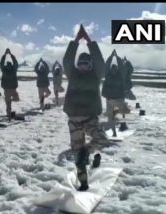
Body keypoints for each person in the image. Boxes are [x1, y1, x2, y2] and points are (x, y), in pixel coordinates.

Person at [62, 24, 110, 191]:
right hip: (74, 119)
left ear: (90, 65)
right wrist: (75, 41)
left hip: (90, 118)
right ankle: (83, 181)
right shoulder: (72, 73)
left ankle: (87, 152)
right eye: (80, 63)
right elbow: (67, 60)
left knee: (102, 140)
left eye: (85, 63)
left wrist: (89, 41)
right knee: (77, 153)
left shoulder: (97, 75)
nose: (82, 66)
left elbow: (99, 61)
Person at [102, 50, 130, 137]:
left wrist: (116, 57)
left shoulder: (120, 75)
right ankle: (114, 132)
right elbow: (106, 66)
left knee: (115, 115)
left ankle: (118, 126)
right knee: (111, 118)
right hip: (110, 100)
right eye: (112, 69)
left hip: (117, 99)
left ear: (116, 70)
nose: (113, 70)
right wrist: (111, 56)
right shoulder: (108, 74)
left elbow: (121, 67)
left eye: (115, 69)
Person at [0, 48, 20, 119]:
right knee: (16, 99)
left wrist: (5, 55)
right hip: (12, 88)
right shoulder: (13, 70)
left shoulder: (4, 69)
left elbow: (1, 63)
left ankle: (9, 113)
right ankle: (9, 114)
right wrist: (11, 55)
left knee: (8, 103)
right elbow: (16, 63)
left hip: (8, 89)